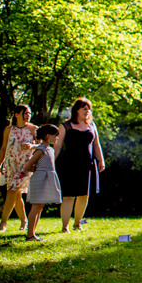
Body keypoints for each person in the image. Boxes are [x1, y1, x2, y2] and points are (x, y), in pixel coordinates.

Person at [54, 98, 105, 233]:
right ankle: (65, 226)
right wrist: (51, 162)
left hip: (87, 165)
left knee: (84, 195)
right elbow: (58, 146)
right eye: (84, 108)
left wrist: (101, 160)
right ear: (76, 110)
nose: (87, 111)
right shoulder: (65, 126)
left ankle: (77, 223)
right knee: (69, 196)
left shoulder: (92, 126)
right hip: (69, 164)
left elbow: (96, 145)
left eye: (88, 109)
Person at [0, 104, 35, 232]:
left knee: (11, 191)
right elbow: (3, 148)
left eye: (29, 113)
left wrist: (31, 146)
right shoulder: (8, 129)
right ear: (16, 114)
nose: (27, 115)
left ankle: (3, 223)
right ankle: (24, 221)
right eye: (25, 113)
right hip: (11, 165)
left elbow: (42, 146)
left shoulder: (33, 129)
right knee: (16, 195)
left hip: (26, 165)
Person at [19, 124, 62, 241]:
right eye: (55, 136)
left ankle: (33, 233)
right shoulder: (40, 150)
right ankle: (29, 235)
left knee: (39, 207)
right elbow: (28, 165)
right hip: (40, 180)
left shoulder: (50, 150)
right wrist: (36, 169)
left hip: (47, 179)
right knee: (36, 206)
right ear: (48, 136)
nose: (57, 138)